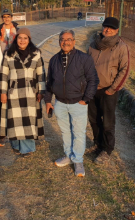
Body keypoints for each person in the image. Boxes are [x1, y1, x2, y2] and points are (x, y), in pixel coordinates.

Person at [45, 29, 98, 177]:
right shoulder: (54, 59)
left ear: (74, 41)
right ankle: (69, 156)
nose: (65, 42)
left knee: (79, 133)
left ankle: (78, 161)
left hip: (78, 103)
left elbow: (93, 80)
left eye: (69, 39)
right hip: (60, 103)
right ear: (59, 41)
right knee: (65, 131)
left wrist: (85, 99)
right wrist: (48, 101)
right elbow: (49, 82)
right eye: (62, 39)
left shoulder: (84, 59)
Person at [87, 17, 130, 165]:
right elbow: (86, 65)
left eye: (111, 28)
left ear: (117, 30)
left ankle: (107, 149)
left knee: (108, 122)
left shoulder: (121, 47)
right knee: (93, 119)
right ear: (102, 27)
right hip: (92, 89)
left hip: (108, 90)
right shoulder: (93, 45)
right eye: (106, 27)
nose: (107, 30)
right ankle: (98, 144)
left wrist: (112, 89)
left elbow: (125, 69)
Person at [0, 28, 46, 156]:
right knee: (15, 120)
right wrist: (3, 92)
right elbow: (3, 74)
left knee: (28, 119)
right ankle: (15, 144)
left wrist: (41, 91)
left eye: (25, 38)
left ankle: (27, 148)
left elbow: (41, 74)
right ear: (16, 39)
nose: (22, 40)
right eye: (20, 38)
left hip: (31, 91)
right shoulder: (8, 53)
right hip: (14, 92)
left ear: (29, 39)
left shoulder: (36, 53)